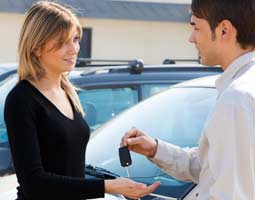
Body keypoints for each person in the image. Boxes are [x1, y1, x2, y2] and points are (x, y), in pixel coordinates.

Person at [4, 1, 160, 200]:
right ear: (36, 48)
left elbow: (68, 164)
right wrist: (108, 186)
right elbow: (34, 183)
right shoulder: (21, 99)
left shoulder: (68, 92)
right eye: (62, 42)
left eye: (75, 39)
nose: (74, 49)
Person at [121, 0, 255, 199]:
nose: (191, 39)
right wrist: (156, 150)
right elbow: (209, 167)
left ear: (224, 30)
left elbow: (231, 194)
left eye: (196, 27)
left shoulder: (236, 98)